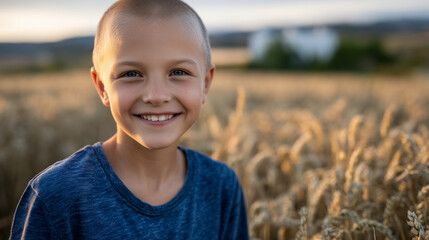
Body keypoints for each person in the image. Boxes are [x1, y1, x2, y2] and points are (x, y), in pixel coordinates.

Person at [10, 0, 249, 239]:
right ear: (102, 87)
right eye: (131, 74)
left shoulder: (221, 186)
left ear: (205, 84)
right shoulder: (55, 197)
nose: (156, 96)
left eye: (179, 72)